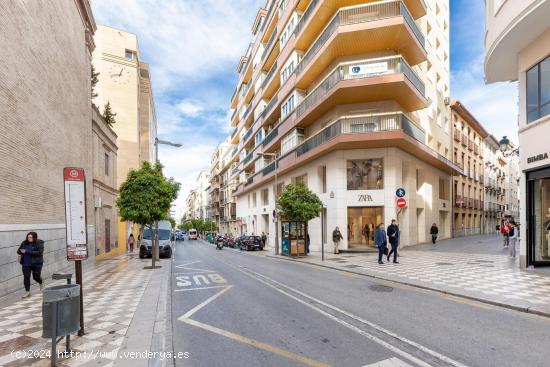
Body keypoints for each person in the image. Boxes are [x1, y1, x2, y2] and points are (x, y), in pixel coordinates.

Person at [16, 232, 44, 298]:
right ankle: (27, 292)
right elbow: (18, 251)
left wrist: (27, 251)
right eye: (28, 237)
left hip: (36, 263)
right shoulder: (24, 242)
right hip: (26, 263)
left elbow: (40, 252)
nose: (29, 238)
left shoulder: (39, 243)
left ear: (34, 237)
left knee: (35, 277)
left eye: (30, 237)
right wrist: (21, 251)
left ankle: (40, 281)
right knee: (26, 277)